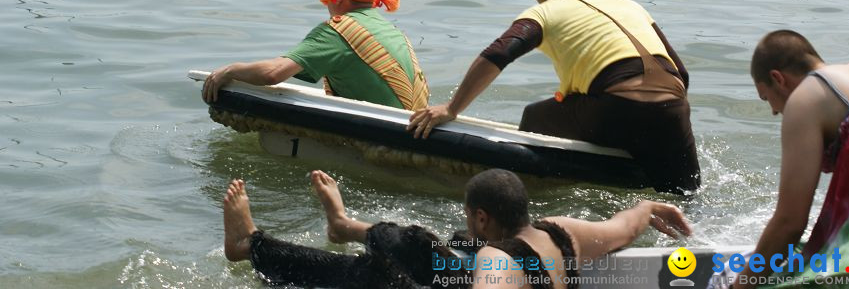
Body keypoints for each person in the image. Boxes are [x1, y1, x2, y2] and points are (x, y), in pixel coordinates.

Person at [407, 0, 699, 193]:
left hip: (614, 108)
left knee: (534, 116)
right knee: (685, 194)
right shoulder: (626, 3)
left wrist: (452, 109)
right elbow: (681, 74)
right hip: (673, 109)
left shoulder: (544, 13)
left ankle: (524, 196)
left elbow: (496, 54)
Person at [222, 168, 692, 289]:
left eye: (470, 215)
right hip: (455, 274)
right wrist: (650, 205)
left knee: (370, 273)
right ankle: (345, 226)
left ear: (483, 215)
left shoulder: (494, 263)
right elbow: (623, 228)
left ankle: (249, 246)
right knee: (432, 251)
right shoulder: (561, 232)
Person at [733, 30, 849, 288]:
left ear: (778, 79)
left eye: (767, 99)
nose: (775, 112)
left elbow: (790, 222)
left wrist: (741, 285)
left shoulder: (807, 96)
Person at [202, 0, 428, 111]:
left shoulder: (337, 32)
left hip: (390, 131)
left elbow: (273, 73)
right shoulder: (392, 30)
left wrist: (229, 71)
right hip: (412, 121)